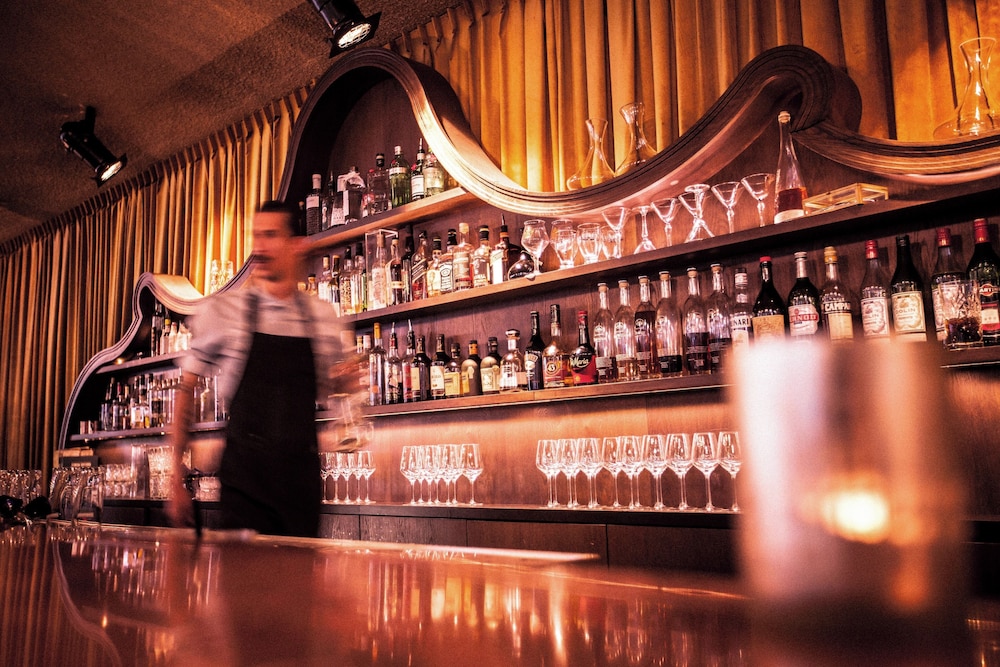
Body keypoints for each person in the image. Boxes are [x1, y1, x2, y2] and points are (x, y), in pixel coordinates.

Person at [167, 200, 357, 537]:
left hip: (301, 489)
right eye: (256, 236)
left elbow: (336, 392)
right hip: (245, 488)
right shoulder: (225, 311)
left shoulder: (323, 318)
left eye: (270, 235)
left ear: (297, 245)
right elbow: (186, 390)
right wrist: (175, 479)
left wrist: (350, 387)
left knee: (300, 572)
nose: (259, 247)